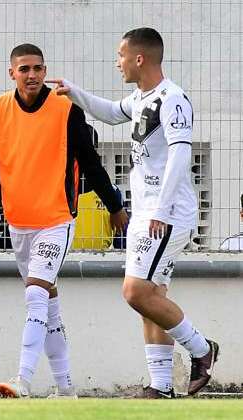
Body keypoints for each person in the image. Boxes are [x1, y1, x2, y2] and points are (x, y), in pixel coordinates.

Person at [50, 27, 219, 398]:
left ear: (138, 58)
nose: (117, 63)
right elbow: (112, 113)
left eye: (121, 56)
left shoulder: (173, 99)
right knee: (152, 298)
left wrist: (160, 208)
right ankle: (161, 387)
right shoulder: (143, 97)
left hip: (167, 212)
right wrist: (74, 92)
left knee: (135, 292)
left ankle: (202, 350)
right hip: (146, 211)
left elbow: (180, 154)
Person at [0, 44, 127, 398]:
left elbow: (92, 164)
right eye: (24, 69)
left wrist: (114, 206)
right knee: (47, 305)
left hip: (56, 220)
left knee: (35, 293)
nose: (31, 75)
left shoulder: (66, 109)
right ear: (12, 73)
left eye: (37, 68)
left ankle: (23, 379)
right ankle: (66, 389)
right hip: (19, 223)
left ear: (44, 70)